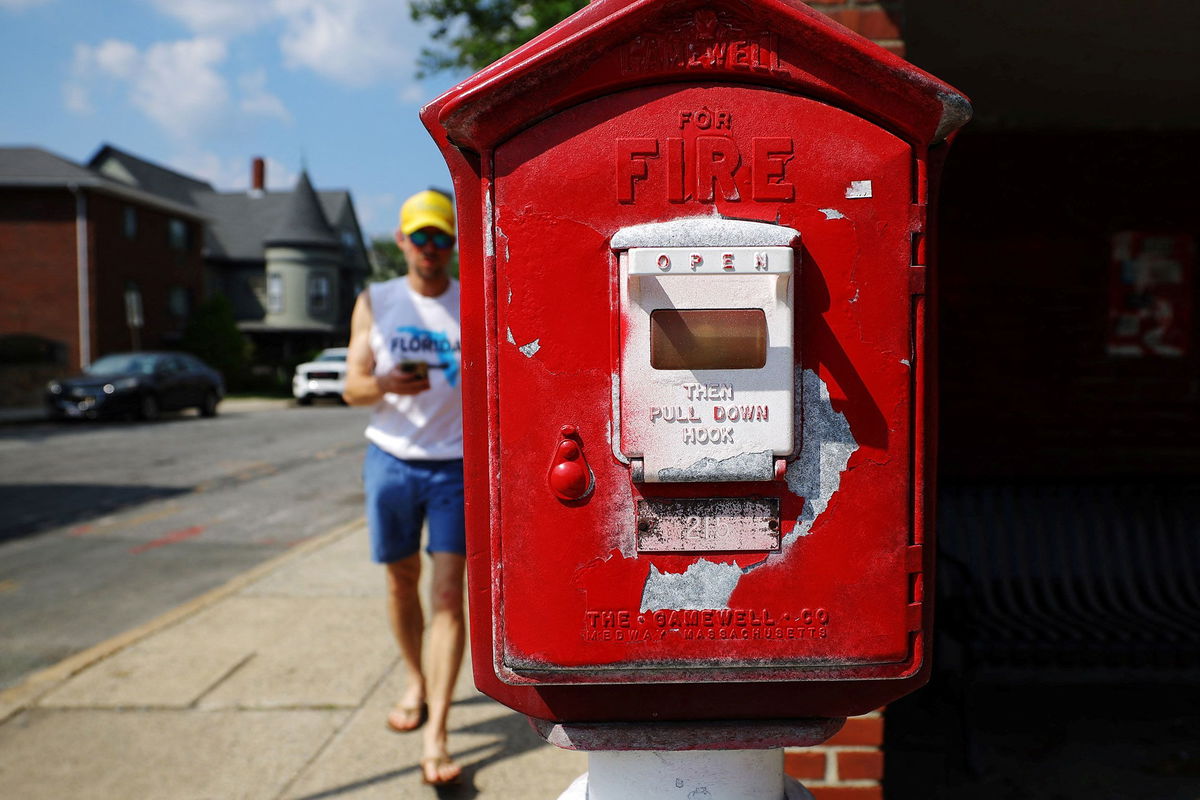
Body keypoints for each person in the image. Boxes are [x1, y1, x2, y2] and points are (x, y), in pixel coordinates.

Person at [343, 189, 465, 786]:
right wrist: (388, 382)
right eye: (421, 237)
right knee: (400, 581)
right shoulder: (376, 300)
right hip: (390, 460)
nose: (431, 250)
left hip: (455, 466)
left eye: (441, 237)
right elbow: (351, 388)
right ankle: (415, 677)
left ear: (453, 244)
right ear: (402, 242)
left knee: (447, 597)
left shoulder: (474, 301)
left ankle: (436, 735)